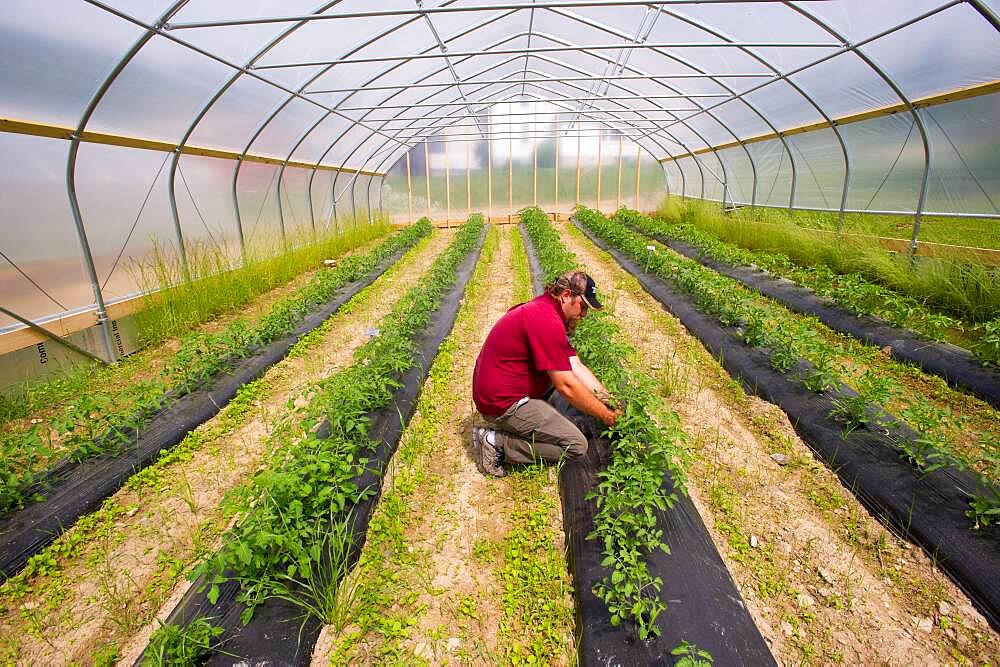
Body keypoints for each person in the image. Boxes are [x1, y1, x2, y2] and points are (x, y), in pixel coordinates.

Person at [471, 270, 618, 477]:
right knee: (575, 445)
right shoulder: (545, 319)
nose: (584, 314)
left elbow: (576, 367)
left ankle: (538, 423)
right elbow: (566, 385)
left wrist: (608, 400)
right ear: (566, 295)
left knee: (569, 386)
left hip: (502, 390)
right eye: (583, 306)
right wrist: (605, 415)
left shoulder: (546, 310)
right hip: (502, 403)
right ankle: (497, 443)